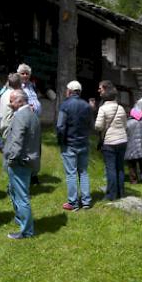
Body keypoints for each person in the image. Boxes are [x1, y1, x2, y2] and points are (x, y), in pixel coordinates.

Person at [3, 89, 41, 239]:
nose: (9, 103)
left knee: (21, 197)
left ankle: (27, 230)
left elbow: (17, 142)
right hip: (29, 161)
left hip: (20, 162)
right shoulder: (33, 115)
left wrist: (11, 160)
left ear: (20, 101)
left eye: (12, 100)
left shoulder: (20, 116)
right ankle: (20, 219)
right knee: (16, 192)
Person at [56, 80, 93, 211]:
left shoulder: (65, 105)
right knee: (83, 172)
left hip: (69, 143)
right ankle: (86, 201)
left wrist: (60, 141)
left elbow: (60, 126)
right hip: (83, 142)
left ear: (69, 91)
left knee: (71, 173)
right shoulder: (87, 106)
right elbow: (90, 125)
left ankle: (73, 203)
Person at [95, 80, 128, 201]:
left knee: (110, 169)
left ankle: (111, 195)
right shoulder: (121, 108)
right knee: (120, 167)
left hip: (109, 141)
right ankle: (121, 192)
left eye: (100, 89)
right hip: (122, 140)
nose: (99, 90)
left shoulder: (103, 109)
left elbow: (98, 126)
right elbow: (125, 125)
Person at [0, 73, 22, 139]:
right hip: (11, 128)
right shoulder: (15, 95)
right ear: (19, 83)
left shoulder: (5, 93)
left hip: (4, 125)